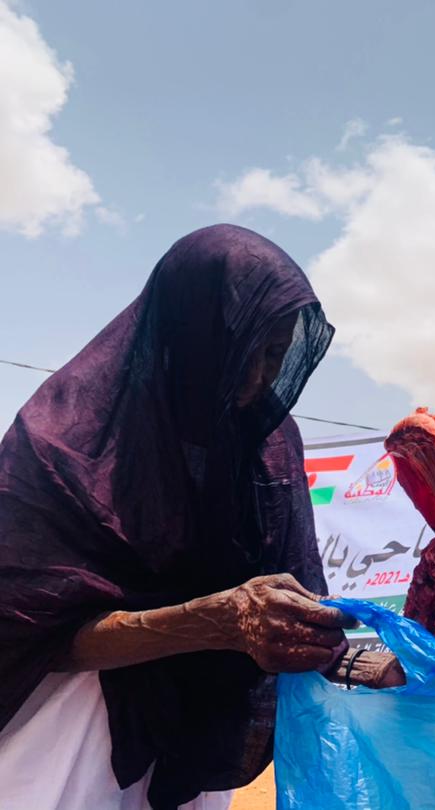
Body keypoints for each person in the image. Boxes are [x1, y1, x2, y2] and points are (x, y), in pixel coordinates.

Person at [0, 225, 355, 810]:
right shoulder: (63, 439)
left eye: (275, 355)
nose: (258, 378)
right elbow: (23, 630)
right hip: (69, 730)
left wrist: (375, 664)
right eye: (241, 349)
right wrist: (208, 622)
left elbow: (298, 599)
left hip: (193, 734)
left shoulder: (268, 444)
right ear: (187, 332)